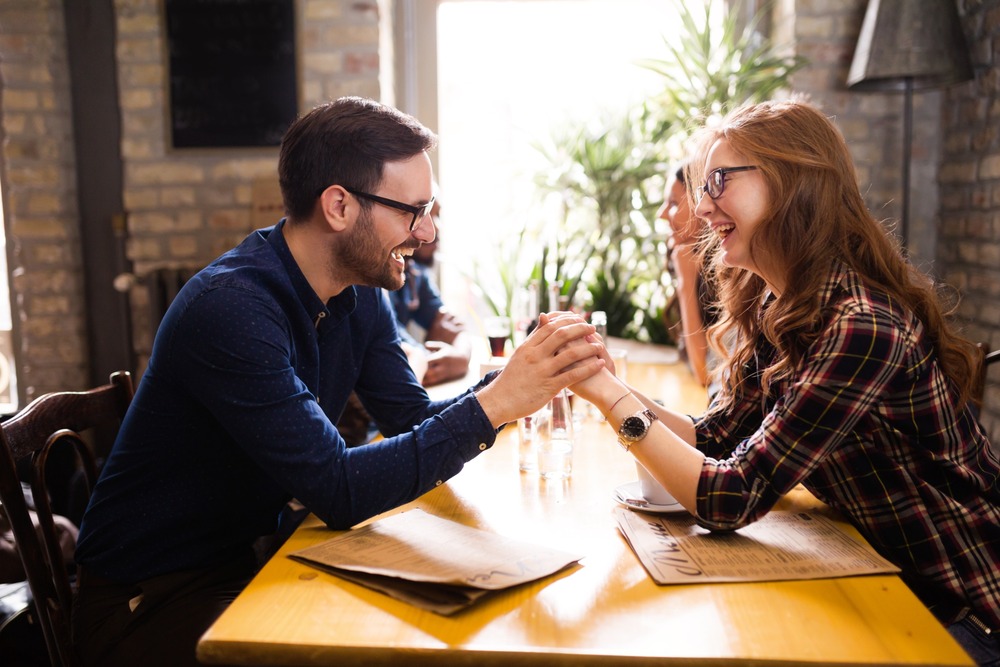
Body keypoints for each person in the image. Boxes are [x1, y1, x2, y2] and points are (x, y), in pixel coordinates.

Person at [72, 96, 603, 667]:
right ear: (339, 207)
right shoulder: (231, 309)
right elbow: (339, 489)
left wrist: (522, 380)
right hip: (149, 599)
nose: (427, 233)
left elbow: (411, 419)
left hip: (251, 558)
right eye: (413, 210)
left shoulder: (362, 294)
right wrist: (498, 402)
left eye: (432, 208)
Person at [569, 99, 1000, 666]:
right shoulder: (784, 304)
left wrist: (610, 399)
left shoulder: (861, 327)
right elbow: (713, 437)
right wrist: (601, 377)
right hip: (884, 582)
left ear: (793, 182)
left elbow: (729, 499)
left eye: (718, 181)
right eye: (702, 184)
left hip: (961, 618)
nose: (701, 206)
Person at [389, 195, 473, 387]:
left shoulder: (415, 272)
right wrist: (427, 357)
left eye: (437, 215)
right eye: (421, 214)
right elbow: (398, 358)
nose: (435, 230)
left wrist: (461, 356)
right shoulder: (374, 279)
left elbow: (450, 325)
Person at [659, 163, 718, 391]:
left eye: (673, 203)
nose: (662, 214)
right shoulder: (697, 266)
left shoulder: (732, 277)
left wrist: (686, 282)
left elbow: (705, 374)